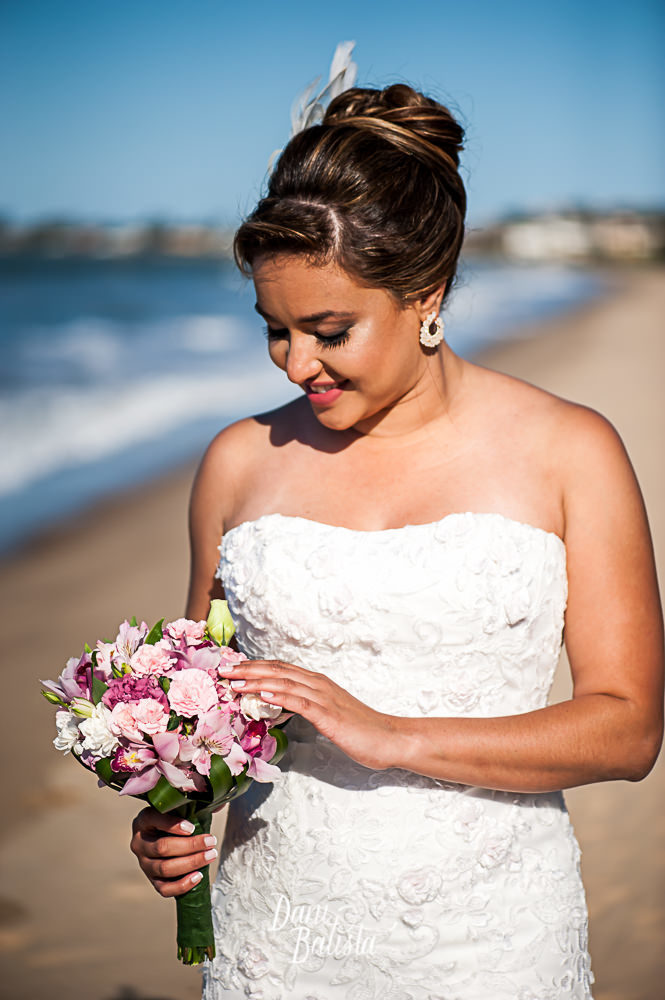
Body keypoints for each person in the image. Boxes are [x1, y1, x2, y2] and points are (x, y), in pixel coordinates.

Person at [130, 67, 664, 1000]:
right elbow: (203, 708)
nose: (298, 363)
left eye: (329, 330)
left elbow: (626, 730)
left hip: (490, 942)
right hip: (277, 934)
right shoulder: (235, 462)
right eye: (274, 330)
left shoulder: (568, 450)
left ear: (427, 292)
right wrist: (174, 808)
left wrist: (388, 734)